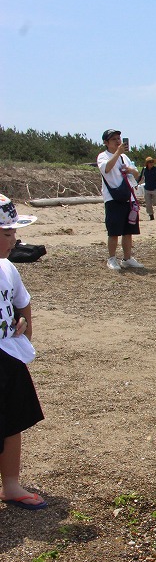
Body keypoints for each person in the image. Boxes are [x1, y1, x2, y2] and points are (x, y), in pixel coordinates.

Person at [0, 196, 47, 510]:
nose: (14, 239)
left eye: (13, 232)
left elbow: (21, 301)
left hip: (8, 355)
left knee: (12, 422)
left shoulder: (7, 268)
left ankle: (11, 484)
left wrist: (24, 324)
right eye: (6, 234)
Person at [96, 128, 144, 270]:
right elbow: (106, 168)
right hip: (113, 197)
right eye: (114, 139)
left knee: (128, 230)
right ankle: (112, 258)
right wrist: (118, 153)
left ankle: (127, 258)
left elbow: (135, 173)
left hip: (128, 197)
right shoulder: (102, 156)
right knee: (114, 231)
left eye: (119, 138)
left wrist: (130, 170)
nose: (118, 141)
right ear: (106, 142)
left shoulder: (125, 157)